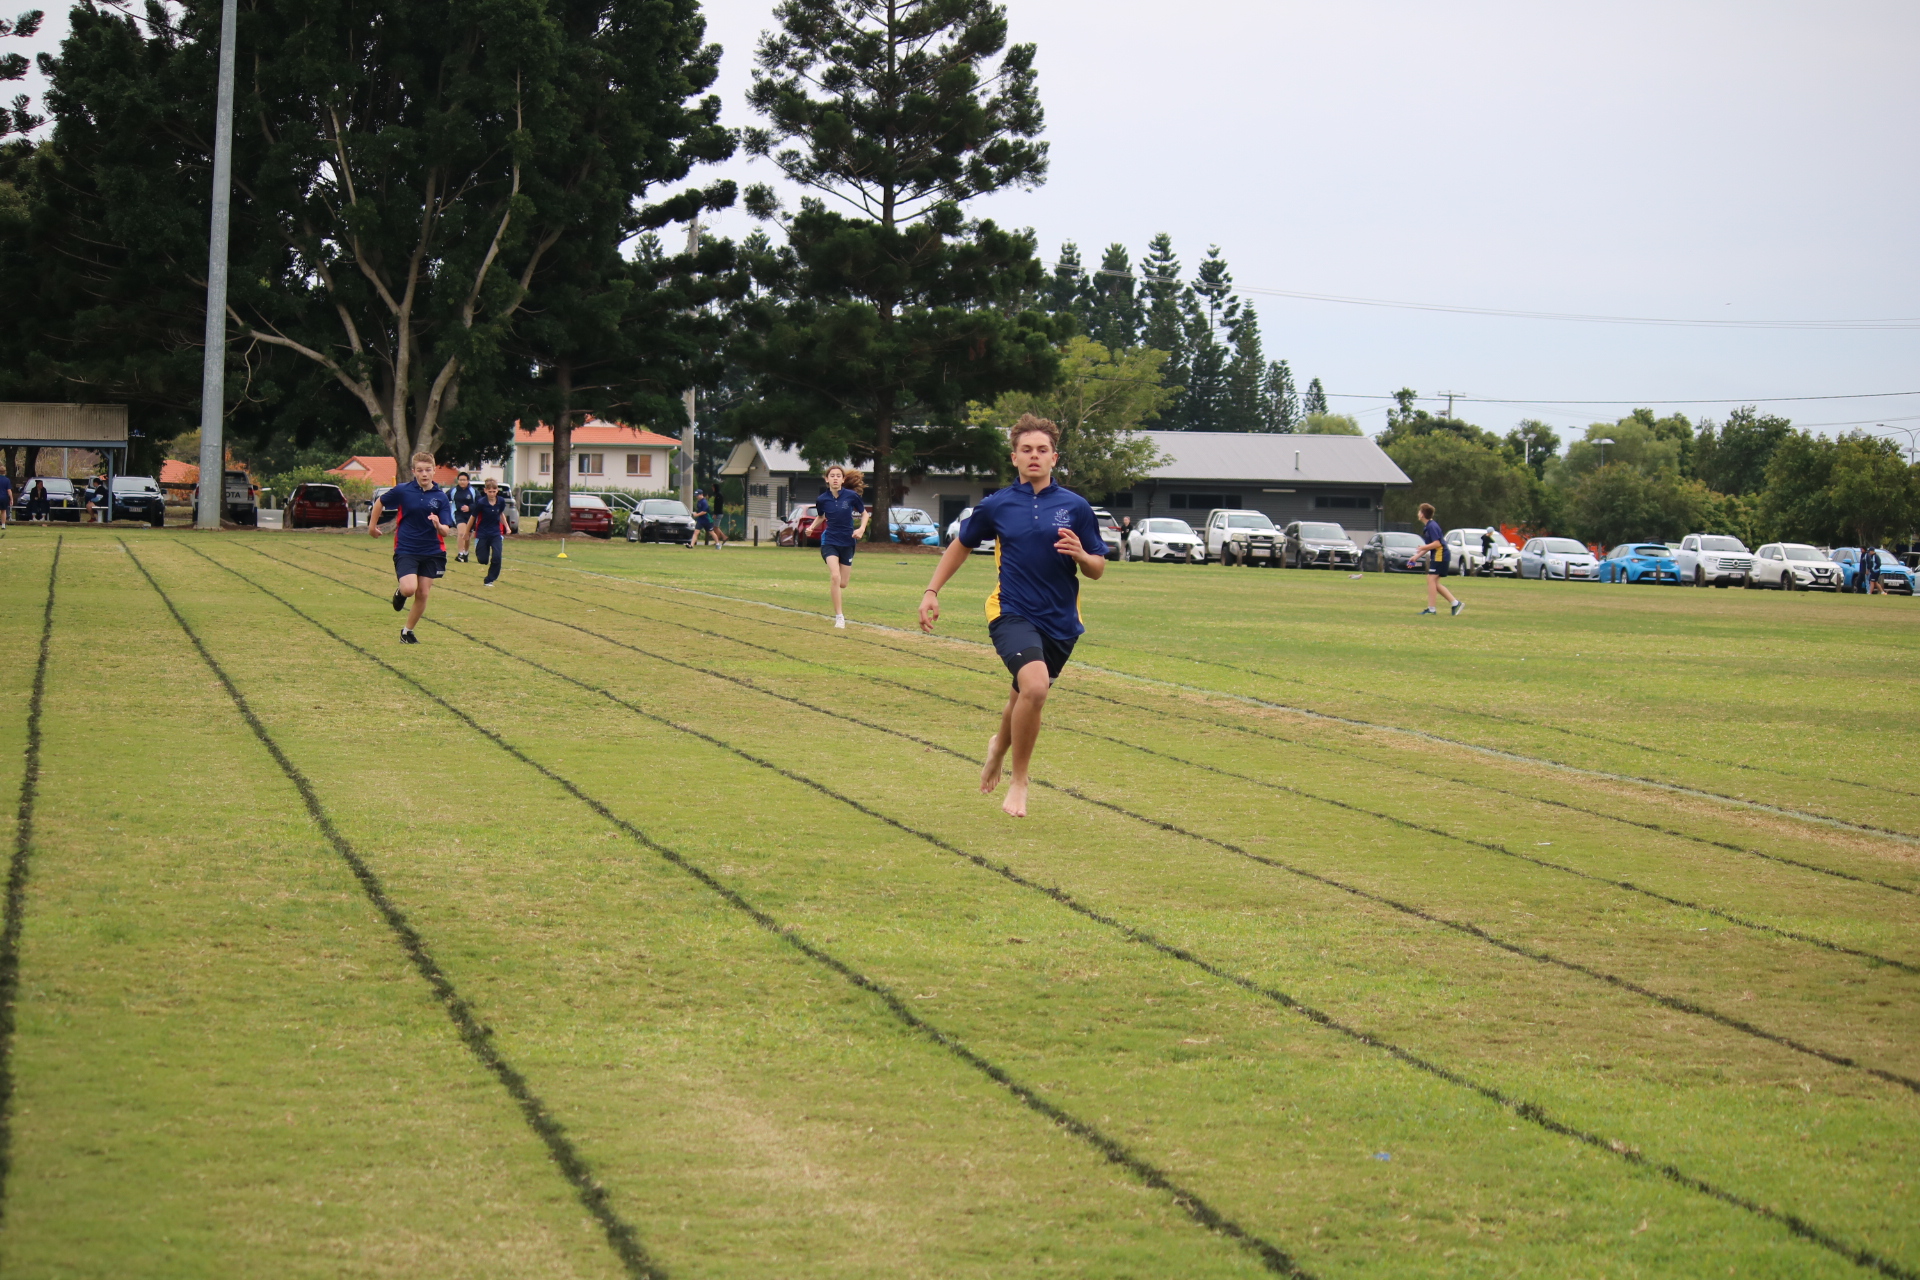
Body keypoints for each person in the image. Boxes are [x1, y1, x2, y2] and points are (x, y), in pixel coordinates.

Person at [918, 414, 1107, 818]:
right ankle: (1020, 781)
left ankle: (997, 749)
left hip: (1061, 622)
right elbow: (960, 545)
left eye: (1042, 450)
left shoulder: (1075, 507)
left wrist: (1081, 555)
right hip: (1011, 611)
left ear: (1054, 458)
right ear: (1014, 458)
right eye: (1026, 450)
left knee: (1022, 696)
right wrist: (932, 591)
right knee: (1035, 688)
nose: (1034, 456)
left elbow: (1097, 567)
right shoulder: (997, 504)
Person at [368, 452, 455, 643]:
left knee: (423, 593)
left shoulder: (441, 497)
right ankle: (400, 593)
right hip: (407, 548)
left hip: (433, 551)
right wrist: (372, 526)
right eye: (420, 470)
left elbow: (446, 532)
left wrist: (438, 525)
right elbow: (380, 503)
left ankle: (407, 632)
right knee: (409, 589)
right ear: (414, 471)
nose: (424, 474)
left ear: (434, 471)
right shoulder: (403, 490)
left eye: (428, 470)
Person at [808, 466, 869, 628]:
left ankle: (839, 604)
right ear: (827, 479)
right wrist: (812, 527)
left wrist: (861, 529)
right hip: (829, 541)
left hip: (848, 542)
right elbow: (821, 516)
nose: (835, 478)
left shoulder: (851, 496)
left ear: (843, 479)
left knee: (843, 583)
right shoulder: (822, 499)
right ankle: (839, 617)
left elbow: (865, 513)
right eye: (832, 476)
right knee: (835, 576)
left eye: (838, 476)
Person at [1412, 502, 1463, 616]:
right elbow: (1430, 545)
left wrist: (1423, 547)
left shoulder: (1432, 526)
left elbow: (1436, 543)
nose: (1418, 513)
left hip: (1441, 556)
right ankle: (1455, 603)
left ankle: (1432, 609)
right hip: (1439, 556)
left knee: (1431, 580)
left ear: (1422, 514)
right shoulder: (1429, 526)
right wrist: (1416, 557)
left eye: (1419, 511)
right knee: (1433, 582)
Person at [471, 477, 512, 587]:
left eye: (494, 491)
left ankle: (490, 579)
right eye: (490, 491)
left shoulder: (501, 501)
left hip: (496, 533)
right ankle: (479, 549)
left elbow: (501, 514)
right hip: (483, 533)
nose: (492, 494)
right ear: (485, 491)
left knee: (497, 557)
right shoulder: (481, 503)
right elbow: (473, 517)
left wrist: (507, 527)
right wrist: (467, 532)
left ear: (497, 490)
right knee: (483, 560)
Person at [449, 471, 478, 562]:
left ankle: (465, 553)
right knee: (461, 533)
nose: (462, 482)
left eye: (464, 480)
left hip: (471, 516)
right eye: (460, 480)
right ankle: (460, 554)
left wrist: (469, 508)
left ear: (468, 481)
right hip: (458, 514)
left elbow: (479, 503)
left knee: (467, 535)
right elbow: (444, 499)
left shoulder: (473, 491)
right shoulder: (453, 491)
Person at [0, 469, 13, 533]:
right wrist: (11, 499)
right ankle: (3, 525)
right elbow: (9, 490)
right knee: (3, 511)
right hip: (4, 497)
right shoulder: (7, 480)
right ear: (5, 472)